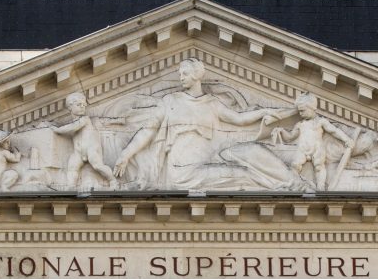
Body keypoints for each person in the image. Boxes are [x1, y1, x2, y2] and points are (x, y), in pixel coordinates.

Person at [114, 59, 293, 190]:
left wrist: (263, 112)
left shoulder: (212, 103)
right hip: (182, 174)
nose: (181, 78)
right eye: (179, 74)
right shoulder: (170, 101)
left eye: (184, 73)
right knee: (243, 174)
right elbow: (147, 131)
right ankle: (283, 185)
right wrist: (125, 155)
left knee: (253, 151)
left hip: (211, 160)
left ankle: (290, 181)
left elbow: (239, 119)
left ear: (196, 75)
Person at [276, 93, 356, 190]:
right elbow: (290, 137)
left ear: (312, 108)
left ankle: (320, 187)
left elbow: (334, 131)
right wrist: (282, 131)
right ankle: (295, 183)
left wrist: (346, 139)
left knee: (319, 167)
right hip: (302, 148)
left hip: (317, 148)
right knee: (295, 165)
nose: (300, 114)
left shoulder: (320, 122)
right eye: (299, 111)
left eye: (302, 111)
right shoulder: (300, 124)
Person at [49, 91, 116, 188]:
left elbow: (73, 127)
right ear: (70, 107)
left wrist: (57, 130)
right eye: (79, 104)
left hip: (91, 149)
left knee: (97, 165)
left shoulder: (85, 119)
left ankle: (112, 180)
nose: (82, 107)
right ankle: (70, 187)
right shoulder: (74, 121)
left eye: (84, 105)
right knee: (72, 168)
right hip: (78, 152)